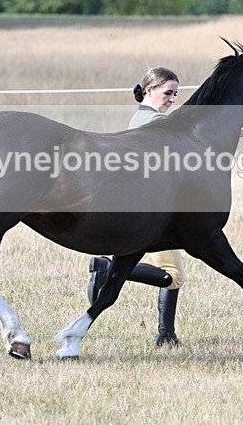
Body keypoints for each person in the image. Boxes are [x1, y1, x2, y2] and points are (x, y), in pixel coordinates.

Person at [87, 66, 186, 347]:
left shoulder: (147, 118)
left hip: (156, 210)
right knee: (174, 275)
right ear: (150, 90)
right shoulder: (150, 123)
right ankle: (107, 271)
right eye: (168, 93)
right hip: (153, 213)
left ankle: (167, 335)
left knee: (175, 273)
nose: (173, 98)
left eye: (176, 94)